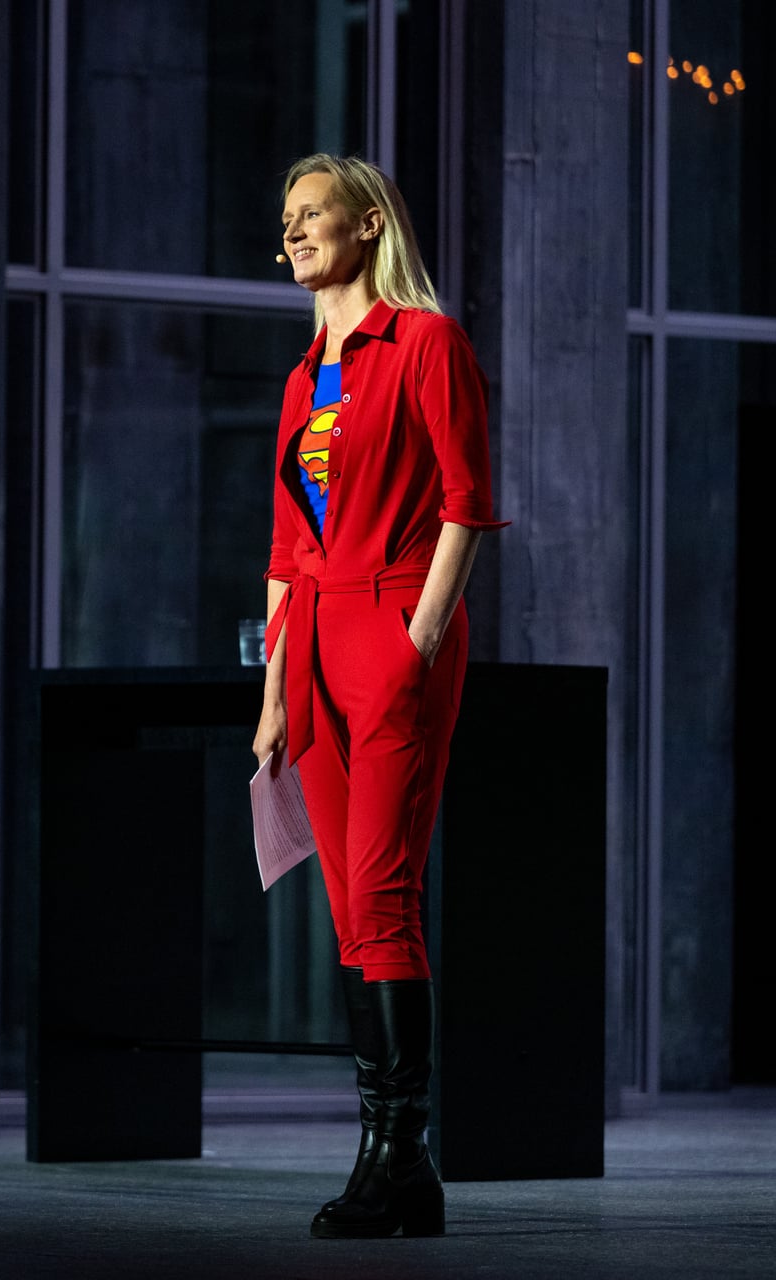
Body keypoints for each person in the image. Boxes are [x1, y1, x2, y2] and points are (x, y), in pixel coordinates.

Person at [254, 153, 508, 1240]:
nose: (293, 231)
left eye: (312, 213)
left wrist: (419, 640)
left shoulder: (425, 344)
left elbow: (466, 501)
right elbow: (283, 549)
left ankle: (396, 1155)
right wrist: (273, 691)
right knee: (351, 909)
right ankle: (400, 1166)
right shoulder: (300, 379)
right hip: (309, 643)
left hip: (392, 627)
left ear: (368, 225)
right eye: (286, 219)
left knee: (385, 893)